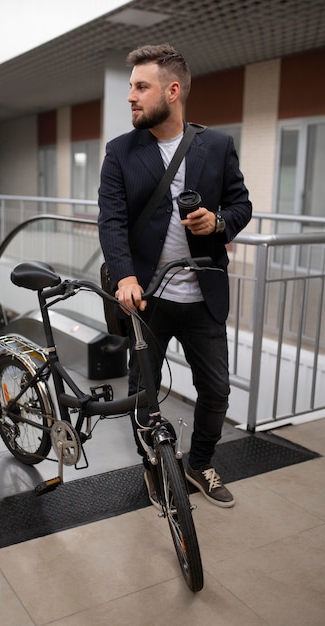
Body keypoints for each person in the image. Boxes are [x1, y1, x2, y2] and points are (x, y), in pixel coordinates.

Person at [98, 43, 252, 508]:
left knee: (217, 393)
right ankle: (154, 466)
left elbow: (241, 204)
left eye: (141, 87)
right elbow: (112, 221)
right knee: (142, 394)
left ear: (172, 90)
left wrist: (219, 222)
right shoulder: (120, 152)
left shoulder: (217, 146)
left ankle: (199, 463)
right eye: (130, 87)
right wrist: (124, 277)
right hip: (146, 299)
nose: (131, 96)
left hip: (203, 295)